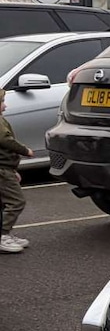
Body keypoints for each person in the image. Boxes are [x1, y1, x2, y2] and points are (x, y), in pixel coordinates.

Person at [0, 87, 33, 253]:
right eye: (2, 102)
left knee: (3, 203)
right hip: (2, 171)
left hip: (5, 169)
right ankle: (3, 234)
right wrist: (24, 150)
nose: (5, 106)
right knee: (16, 201)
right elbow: (6, 140)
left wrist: (12, 169)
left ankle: (5, 233)